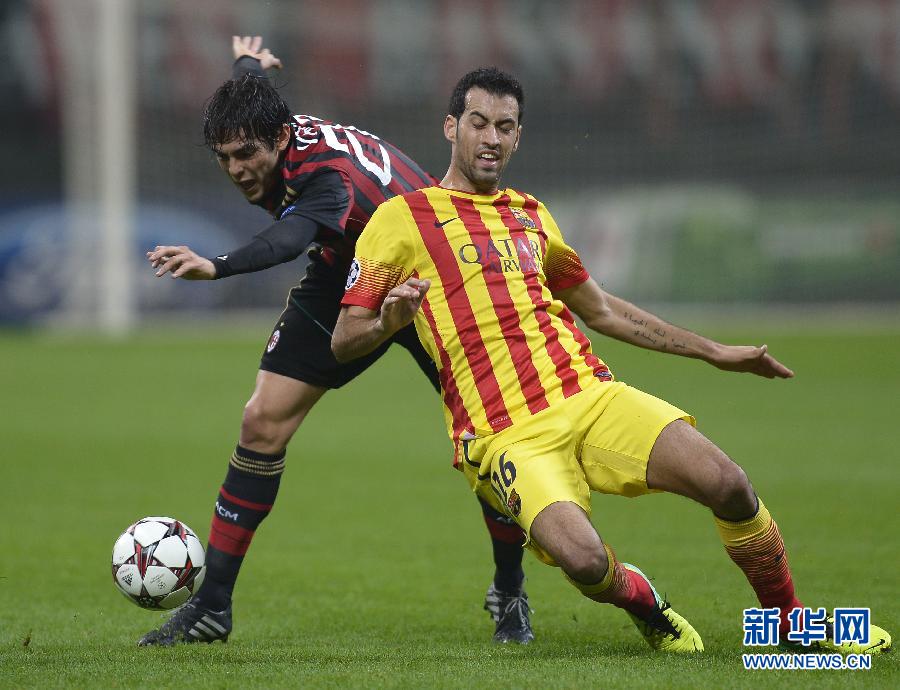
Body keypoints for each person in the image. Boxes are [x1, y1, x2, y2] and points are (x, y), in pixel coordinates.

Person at [331, 67, 892, 654]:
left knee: (728, 484)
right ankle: (644, 601)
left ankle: (790, 626)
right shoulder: (402, 219)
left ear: (518, 137)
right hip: (505, 435)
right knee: (584, 561)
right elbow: (344, 339)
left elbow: (599, 310)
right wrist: (389, 322)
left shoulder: (531, 215)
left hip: (589, 397)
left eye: (505, 126)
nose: (491, 139)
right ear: (451, 127)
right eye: (478, 124)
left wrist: (712, 351)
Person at [139, 38, 534, 646]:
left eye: (248, 154)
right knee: (261, 423)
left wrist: (215, 266)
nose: (239, 168)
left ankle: (509, 591)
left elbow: (286, 241)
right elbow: (253, 93)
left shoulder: (325, 178)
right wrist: (253, 65)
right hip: (345, 266)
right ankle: (213, 606)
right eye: (225, 158)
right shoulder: (265, 117)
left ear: (277, 138)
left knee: (487, 439)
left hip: (431, 272)